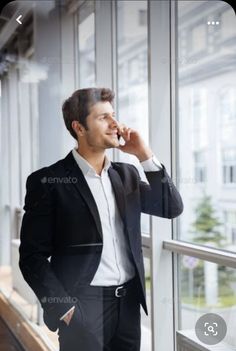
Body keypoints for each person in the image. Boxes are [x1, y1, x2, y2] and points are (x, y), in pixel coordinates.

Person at [19, 87, 183, 351]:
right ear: (79, 128)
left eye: (114, 115)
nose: (115, 124)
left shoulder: (126, 174)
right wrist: (65, 309)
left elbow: (171, 207)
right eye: (103, 117)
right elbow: (31, 257)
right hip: (83, 305)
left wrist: (144, 154)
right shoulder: (48, 181)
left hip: (128, 303)